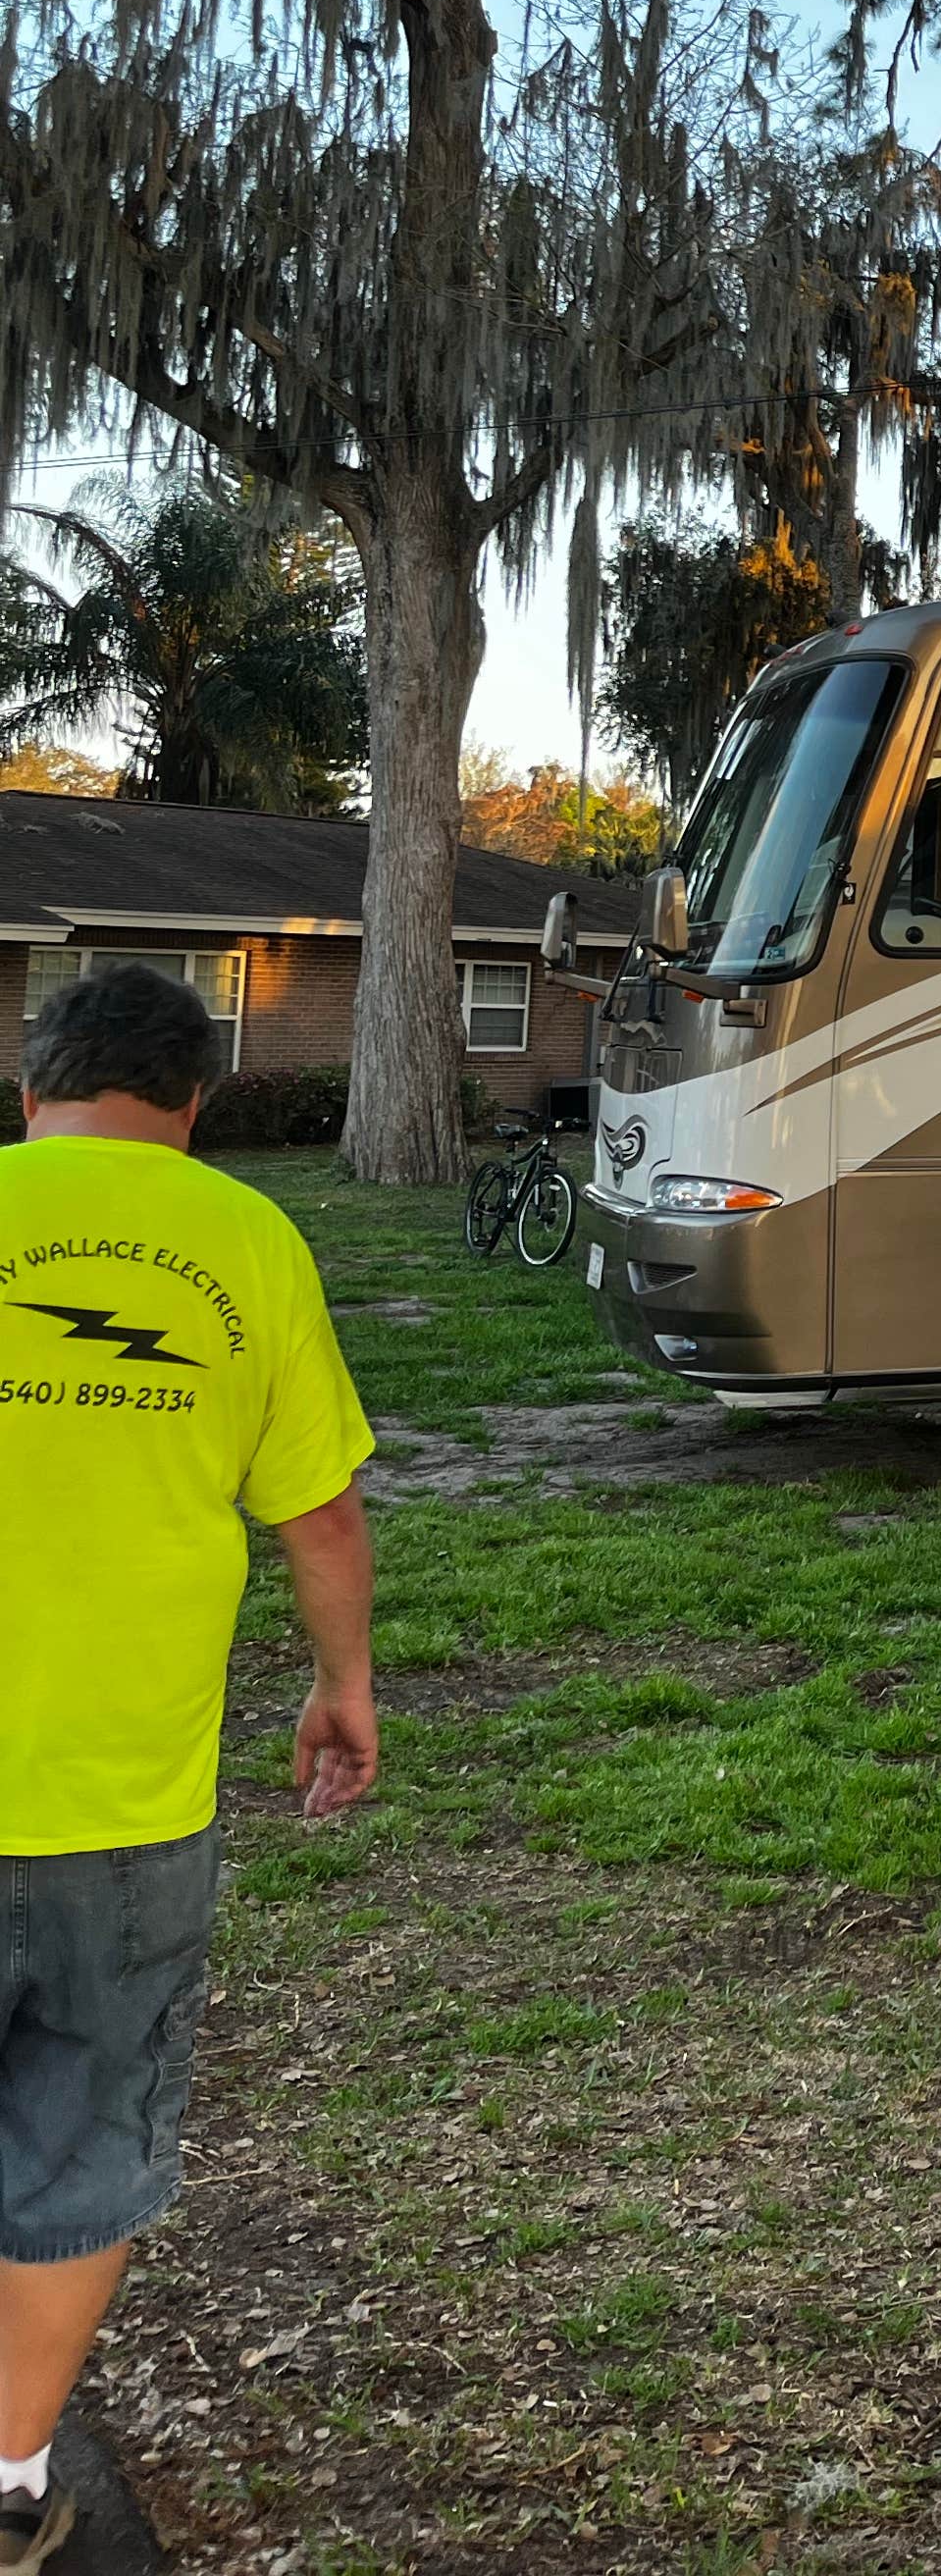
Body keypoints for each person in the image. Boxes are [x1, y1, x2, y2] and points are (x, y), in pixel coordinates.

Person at [0, 964, 377, 2572]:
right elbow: (321, 1514)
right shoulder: (250, 1240)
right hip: (127, 1809)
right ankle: (9, 2477)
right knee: (81, 2142)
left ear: (33, 1087)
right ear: (196, 1105)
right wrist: (342, 1687)